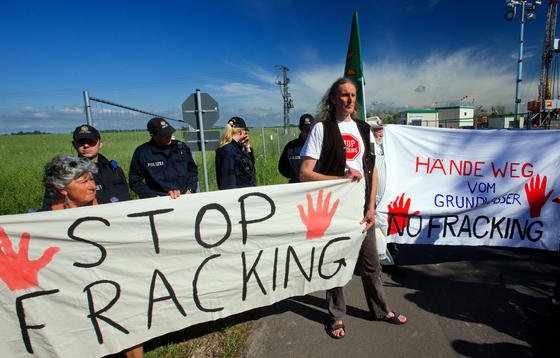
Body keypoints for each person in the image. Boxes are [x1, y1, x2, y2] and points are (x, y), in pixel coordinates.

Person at [299, 77, 407, 339]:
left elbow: (372, 171)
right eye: (344, 95)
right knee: (336, 264)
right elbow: (305, 173)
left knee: (372, 264)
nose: (350, 100)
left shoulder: (363, 129)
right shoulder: (321, 129)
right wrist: (342, 181)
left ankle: (380, 310)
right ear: (333, 98)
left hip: (362, 211)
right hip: (334, 211)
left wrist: (371, 207)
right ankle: (336, 316)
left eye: (353, 95)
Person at [42, 155, 143, 357]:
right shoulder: (44, 222)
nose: (92, 186)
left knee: (127, 325)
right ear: (63, 189)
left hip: (111, 284)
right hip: (74, 292)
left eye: (91, 180)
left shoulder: (108, 210)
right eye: (84, 181)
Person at [41, 124, 130, 210]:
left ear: (100, 144)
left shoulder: (114, 169)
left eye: (91, 142)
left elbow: (126, 198)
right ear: (74, 145)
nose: (86, 145)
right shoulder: (65, 173)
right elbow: (52, 208)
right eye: (81, 142)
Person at [129, 117, 198, 199]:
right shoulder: (142, 153)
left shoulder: (181, 147)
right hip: (158, 202)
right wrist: (153, 196)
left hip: (184, 197)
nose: (169, 136)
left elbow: (193, 171)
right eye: (164, 134)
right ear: (153, 135)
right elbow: (135, 181)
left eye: (169, 132)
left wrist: (190, 189)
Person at [369, 117, 398, 264]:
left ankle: (393, 256)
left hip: (390, 195)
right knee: (377, 229)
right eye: (375, 130)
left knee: (391, 228)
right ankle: (379, 259)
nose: (379, 132)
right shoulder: (370, 147)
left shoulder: (389, 148)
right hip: (375, 195)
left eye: (381, 129)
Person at [215, 116, 256, 189]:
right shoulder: (228, 150)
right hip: (238, 195)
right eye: (245, 132)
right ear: (240, 131)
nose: (246, 134)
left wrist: (247, 147)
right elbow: (228, 179)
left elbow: (250, 169)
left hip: (246, 192)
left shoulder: (237, 148)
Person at [278, 113, 314, 183]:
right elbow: (282, 168)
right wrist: (294, 176)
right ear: (300, 128)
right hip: (296, 186)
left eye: (310, 130)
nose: (308, 133)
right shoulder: (291, 147)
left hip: (315, 186)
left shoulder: (319, 147)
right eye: (305, 130)